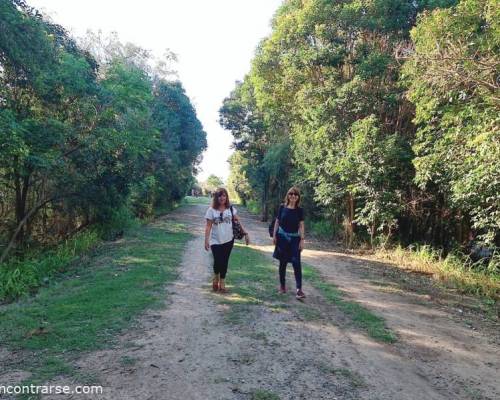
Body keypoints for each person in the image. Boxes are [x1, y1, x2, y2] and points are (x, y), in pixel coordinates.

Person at [204, 188, 249, 293]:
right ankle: (216, 276)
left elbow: (237, 221)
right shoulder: (211, 210)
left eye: (224, 195)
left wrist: (245, 233)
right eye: (220, 196)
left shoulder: (231, 209)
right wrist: (206, 240)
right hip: (215, 240)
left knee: (224, 262)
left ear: (227, 197)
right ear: (216, 197)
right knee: (218, 261)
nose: (222, 198)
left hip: (229, 239)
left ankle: (222, 281)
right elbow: (208, 226)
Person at [272, 186, 306, 299]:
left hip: (294, 239)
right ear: (288, 195)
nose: (293, 196)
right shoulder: (282, 207)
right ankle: (282, 286)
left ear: (298, 197)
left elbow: (301, 225)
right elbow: (277, 222)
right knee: (283, 263)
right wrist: (274, 235)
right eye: (291, 194)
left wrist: (302, 240)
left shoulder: (299, 210)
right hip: (282, 238)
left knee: (297, 263)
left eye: (295, 194)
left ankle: (299, 290)